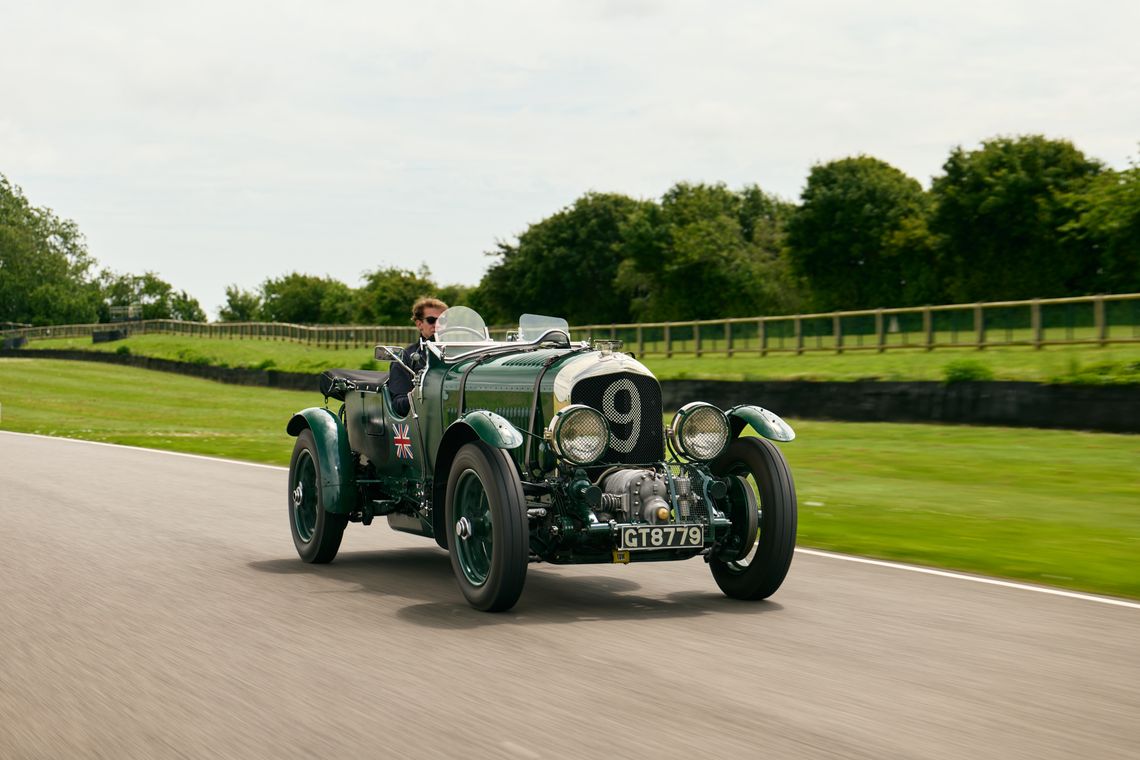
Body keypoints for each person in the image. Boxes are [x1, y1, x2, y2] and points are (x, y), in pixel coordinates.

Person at [387, 296, 447, 415]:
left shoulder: (461, 353)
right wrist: (418, 393)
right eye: (432, 320)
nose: (438, 325)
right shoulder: (405, 357)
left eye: (443, 321)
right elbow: (398, 405)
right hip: (424, 418)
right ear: (419, 324)